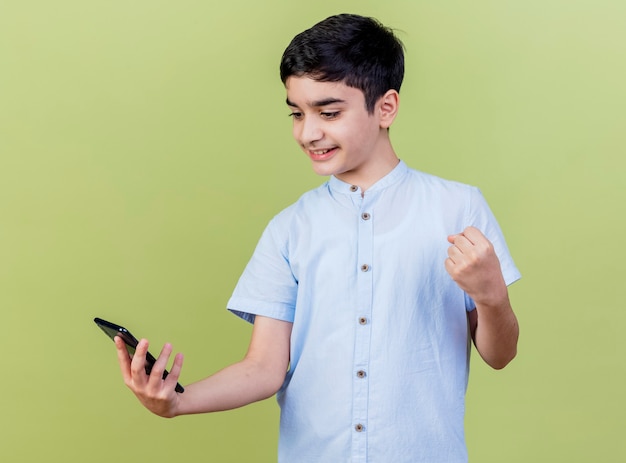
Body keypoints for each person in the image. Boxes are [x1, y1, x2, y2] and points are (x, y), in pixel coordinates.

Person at [113, 13, 520, 463]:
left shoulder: (457, 209)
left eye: (328, 112)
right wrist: (177, 402)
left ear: (385, 107)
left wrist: (492, 296)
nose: (308, 132)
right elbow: (264, 368)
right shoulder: (290, 228)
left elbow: (499, 355)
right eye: (297, 113)